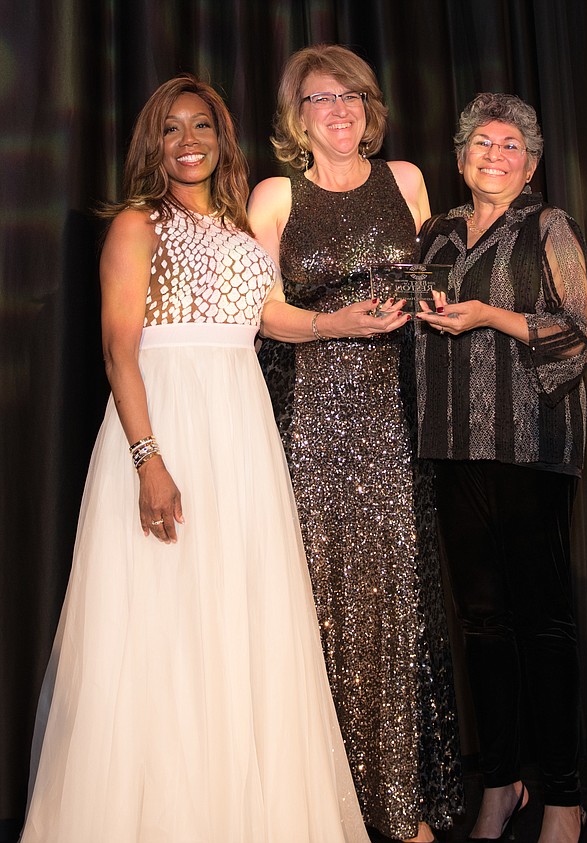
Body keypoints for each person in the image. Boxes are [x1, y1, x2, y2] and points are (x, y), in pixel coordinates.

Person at [19, 74, 371, 843]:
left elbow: (267, 317)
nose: (188, 140)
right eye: (172, 128)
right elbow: (119, 351)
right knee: (161, 624)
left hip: (241, 437)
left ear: (222, 138)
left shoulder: (243, 232)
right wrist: (148, 459)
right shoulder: (135, 226)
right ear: (154, 142)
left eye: (201, 126)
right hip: (166, 430)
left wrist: (337, 320)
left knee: (238, 623)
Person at [247, 44, 463, 843]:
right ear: (295, 116)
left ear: (370, 110)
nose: (337, 111)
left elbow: (431, 277)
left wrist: (433, 305)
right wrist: (333, 323)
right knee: (321, 600)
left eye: (350, 97)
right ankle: (319, 803)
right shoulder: (275, 194)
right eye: (318, 99)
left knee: (394, 598)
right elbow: (262, 311)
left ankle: (394, 796)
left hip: (396, 409)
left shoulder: (405, 180)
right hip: (312, 415)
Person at [415, 92, 587, 843]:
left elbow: (579, 330)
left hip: (530, 446)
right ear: (461, 159)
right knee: (480, 623)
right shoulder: (435, 233)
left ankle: (563, 795)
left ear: (531, 162)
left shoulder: (549, 227)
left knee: (542, 623)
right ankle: (500, 783)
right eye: (482, 144)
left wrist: (489, 315)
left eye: (511, 145)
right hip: (452, 445)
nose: (496, 154)